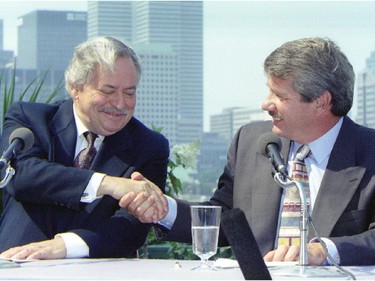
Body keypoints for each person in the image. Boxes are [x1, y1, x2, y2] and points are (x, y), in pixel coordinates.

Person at [121, 37, 375, 266]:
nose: (265, 104)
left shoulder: (369, 152)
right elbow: (224, 220)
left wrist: (325, 251)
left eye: (279, 95)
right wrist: (165, 209)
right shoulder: (252, 140)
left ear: (321, 102)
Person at [0, 36, 168, 260]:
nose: (119, 104)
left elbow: (131, 227)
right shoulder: (30, 119)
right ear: (75, 87)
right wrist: (107, 184)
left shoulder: (149, 147)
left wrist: (65, 246)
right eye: (108, 91)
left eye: (129, 93)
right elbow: (21, 176)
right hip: (15, 265)